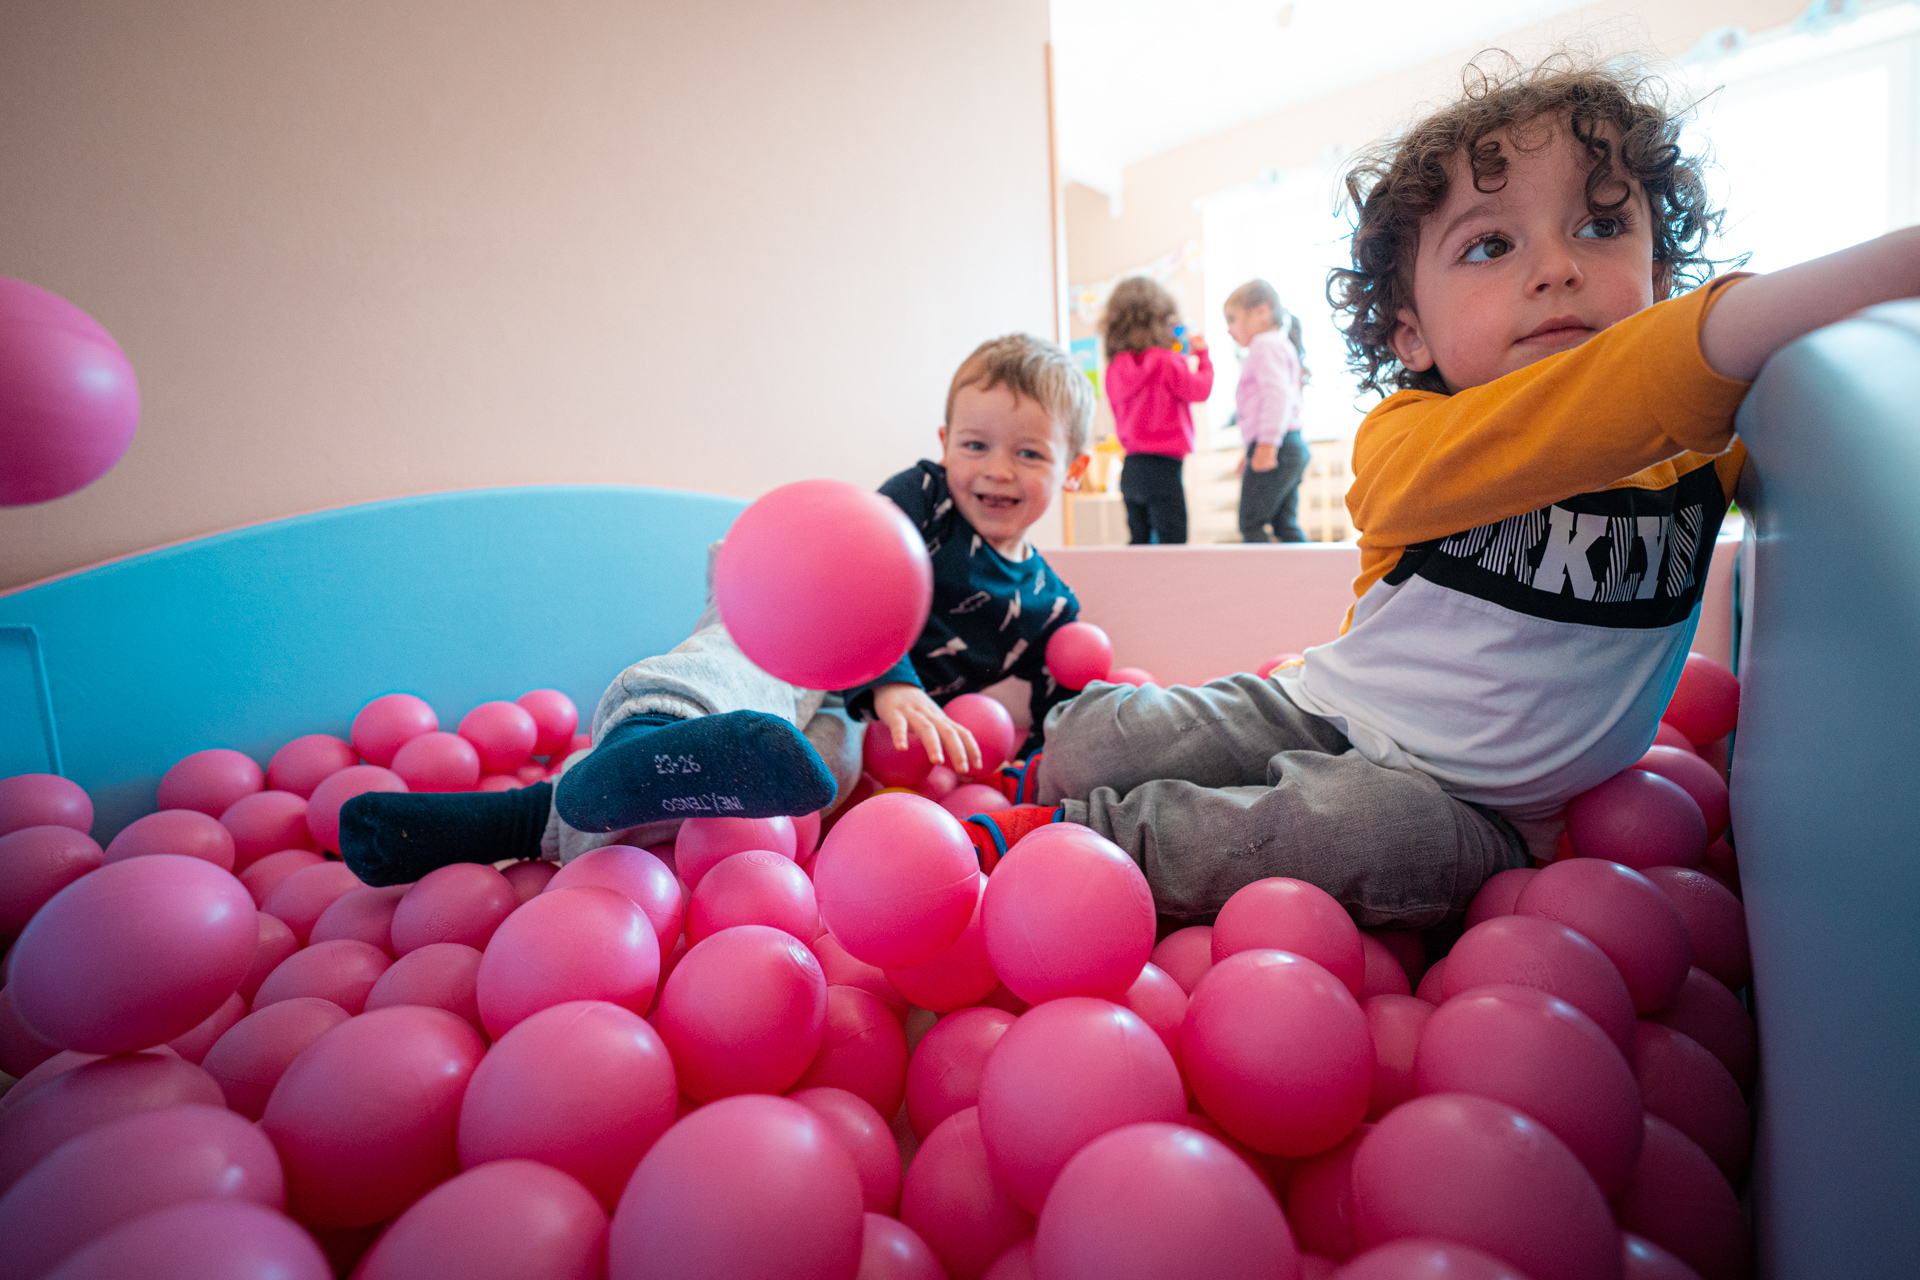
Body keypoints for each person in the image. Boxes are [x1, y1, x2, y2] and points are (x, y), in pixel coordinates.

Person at [965, 56, 1920, 927]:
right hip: (1326, 704)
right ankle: (1056, 761)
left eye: (1602, 224)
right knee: (1103, 742)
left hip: (1476, 811)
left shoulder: (1704, 451)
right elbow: (1602, 403)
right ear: (1411, 335)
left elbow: (1827, 472)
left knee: (1361, 835)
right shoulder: (1410, 440)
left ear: (1661, 278)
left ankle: (1079, 842)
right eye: (1488, 247)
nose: (1557, 268)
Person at [342, 333, 1096, 886]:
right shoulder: (923, 499)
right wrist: (895, 680)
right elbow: (863, 577)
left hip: (852, 714)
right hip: (800, 619)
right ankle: (652, 730)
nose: (996, 470)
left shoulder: (1047, 604)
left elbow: (1065, 701)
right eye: (976, 444)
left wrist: (1029, 776)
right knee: (738, 672)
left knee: (812, 776)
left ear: (1075, 470)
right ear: (943, 443)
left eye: (1029, 454)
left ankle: (513, 821)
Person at [1100, 277, 1213, 544]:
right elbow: (1201, 390)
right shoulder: (1167, 363)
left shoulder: (1114, 369)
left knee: (1139, 541)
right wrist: (1203, 357)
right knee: (1173, 542)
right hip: (1164, 468)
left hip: (1131, 468)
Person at [1223, 279, 1312, 542]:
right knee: (1284, 524)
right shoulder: (1279, 344)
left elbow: (1277, 396)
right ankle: (1304, 578)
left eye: (1232, 319)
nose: (1228, 329)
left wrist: (1266, 446)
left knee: (1251, 523)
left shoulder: (1263, 345)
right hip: (1290, 445)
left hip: (1279, 446)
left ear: (1261, 311)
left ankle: (1261, 582)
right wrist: (1252, 448)